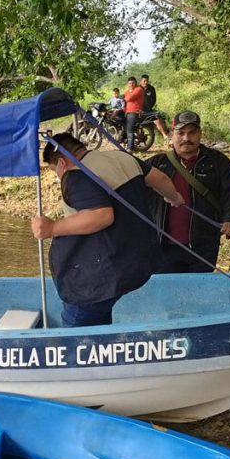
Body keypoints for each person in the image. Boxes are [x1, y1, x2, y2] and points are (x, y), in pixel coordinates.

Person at [31, 133, 183, 327]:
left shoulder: (77, 174)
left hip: (101, 276)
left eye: (55, 171)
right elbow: (160, 179)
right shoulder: (122, 157)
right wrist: (174, 197)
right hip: (136, 263)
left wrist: (53, 227)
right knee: (100, 316)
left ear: (61, 162)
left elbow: (102, 215)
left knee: (78, 323)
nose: (58, 177)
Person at [147, 111, 230, 273]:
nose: (186, 138)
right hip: (163, 246)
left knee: (200, 293)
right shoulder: (156, 164)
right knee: (167, 294)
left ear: (200, 134)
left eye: (192, 132)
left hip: (204, 246)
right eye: (181, 133)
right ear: (171, 135)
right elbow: (131, 190)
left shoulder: (217, 162)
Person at [140, 74, 170, 141]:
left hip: (149, 110)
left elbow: (154, 99)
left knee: (158, 119)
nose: (146, 82)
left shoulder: (151, 88)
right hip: (140, 111)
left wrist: (149, 106)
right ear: (141, 81)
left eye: (147, 81)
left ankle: (165, 136)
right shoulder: (138, 88)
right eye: (144, 81)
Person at [123, 76, 144, 153]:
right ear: (127, 84)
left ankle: (130, 148)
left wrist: (124, 97)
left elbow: (129, 98)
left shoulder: (139, 89)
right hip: (127, 112)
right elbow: (123, 98)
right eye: (129, 83)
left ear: (135, 83)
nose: (131, 84)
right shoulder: (127, 91)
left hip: (134, 112)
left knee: (130, 130)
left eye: (133, 83)